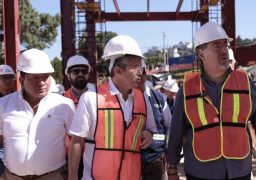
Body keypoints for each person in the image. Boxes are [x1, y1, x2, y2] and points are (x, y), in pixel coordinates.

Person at [166, 21, 256, 180]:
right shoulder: (187, 89)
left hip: (239, 172)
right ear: (201, 53)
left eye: (225, 45)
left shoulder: (245, 82)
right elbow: (176, 133)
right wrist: (172, 168)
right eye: (216, 46)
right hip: (200, 173)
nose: (224, 51)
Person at [68, 35, 157, 180]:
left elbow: (151, 130)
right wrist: (72, 177)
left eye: (140, 66)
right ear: (118, 70)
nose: (141, 72)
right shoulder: (91, 98)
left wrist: (149, 135)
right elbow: (77, 141)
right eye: (135, 67)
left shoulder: (143, 99)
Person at [0, 48, 75, 179]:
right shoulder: (3, 105)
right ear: (21, 79)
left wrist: (72, 174)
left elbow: (76, 141)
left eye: (45, 77)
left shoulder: (64, 105)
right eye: (34, 77)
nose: (41, 83)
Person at [136, 60, 172, 180]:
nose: (137, 77)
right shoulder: (125, 98)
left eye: (140, 73)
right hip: (132, 161)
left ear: (145, 75)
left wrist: (168, 152)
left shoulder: (160, 99)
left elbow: (169, 126)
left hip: (156, 160)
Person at [0, 64, 16, 176]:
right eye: (4, 77)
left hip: (13, 142)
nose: (8, 80)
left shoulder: (19, 99)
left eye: (10, 77)